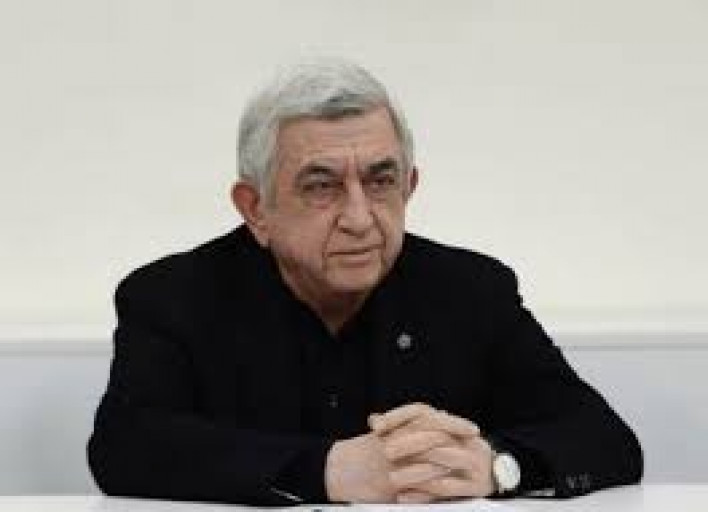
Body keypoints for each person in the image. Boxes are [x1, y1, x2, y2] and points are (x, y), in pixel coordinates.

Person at [87, 58, 643, 505]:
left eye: (380, 181)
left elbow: (603, 437)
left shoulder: (472, 291)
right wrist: (328, 471)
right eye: (321, 186)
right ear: (255, 208)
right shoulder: (173, 297)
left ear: (410, 187)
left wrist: (496, 466)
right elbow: (126, 446)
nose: (359, 218)